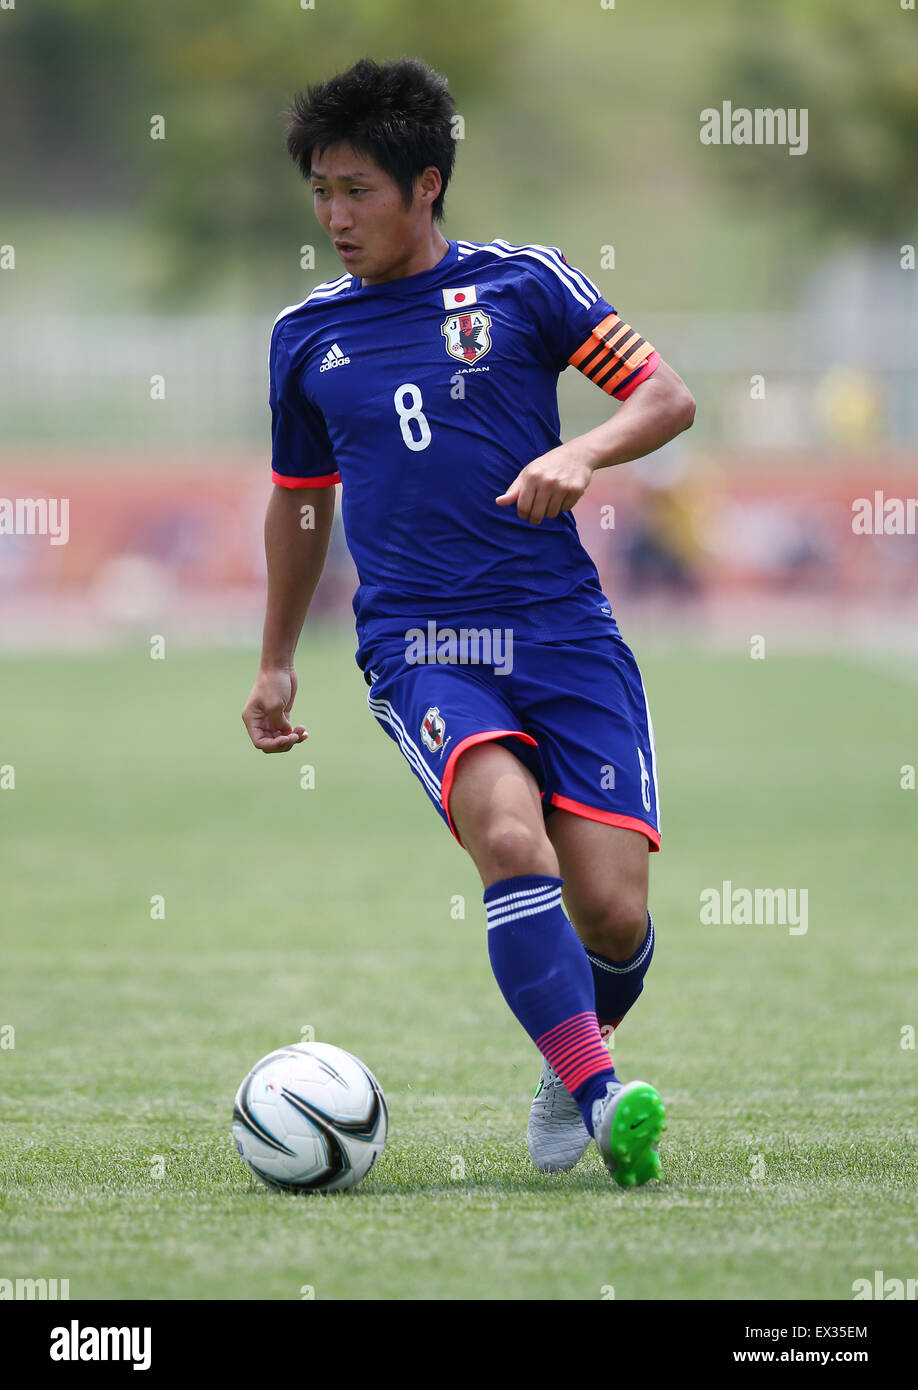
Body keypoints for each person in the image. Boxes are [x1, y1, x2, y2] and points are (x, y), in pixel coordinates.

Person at [242, 56, 695, 1187]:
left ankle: (570, 1056)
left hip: (561, 630)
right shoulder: (305, 338)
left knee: (611, 911)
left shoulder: (524, 286)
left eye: (358, 191)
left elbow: (665, 396)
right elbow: (301, 510)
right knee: (506, 837)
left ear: (426, 184)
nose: (335, 217)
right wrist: (275, 663)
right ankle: (602, 1099)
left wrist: (579, 449)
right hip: (423, 644)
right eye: (321, 192)